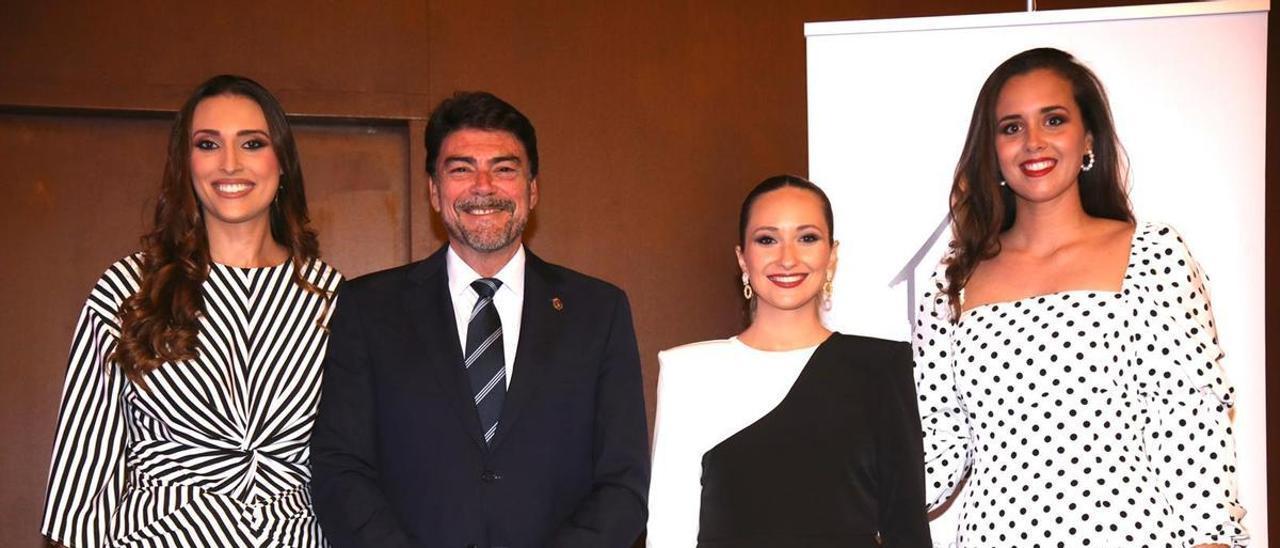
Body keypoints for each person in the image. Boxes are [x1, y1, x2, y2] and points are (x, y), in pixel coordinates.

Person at [913, 47, 1248, 547]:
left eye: (1053, 119)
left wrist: (1214, 537)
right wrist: (841, 505)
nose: (1033, 142)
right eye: (1011, 127)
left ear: (1088, 136)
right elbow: (940, 444)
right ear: (992, 152)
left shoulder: (1152, 254)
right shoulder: (951, 285)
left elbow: (1191, 417)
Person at [310, 91, 650, 548]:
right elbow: (340, 467)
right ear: (434, 190)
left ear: (533, 190)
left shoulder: (598, 312)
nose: (483, 186)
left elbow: (623, 482)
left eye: (505, 169)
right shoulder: (370, 308)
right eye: (461, 168)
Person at [40, 75, 342, 547]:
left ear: (281, 161)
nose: (230, 163)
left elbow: (354, 464)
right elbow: (81, 486)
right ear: (185, 164)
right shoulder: (129, 289)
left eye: (252, 143)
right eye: (207, 144)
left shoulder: (331, 296)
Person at [647, 175, 930, 547]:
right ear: (742, 258)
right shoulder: (690, 371)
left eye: (807, 238)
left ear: (832, 254)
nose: (787, 258)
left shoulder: (880, 368)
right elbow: (670, 531)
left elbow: (906, 528)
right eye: (767, 239)